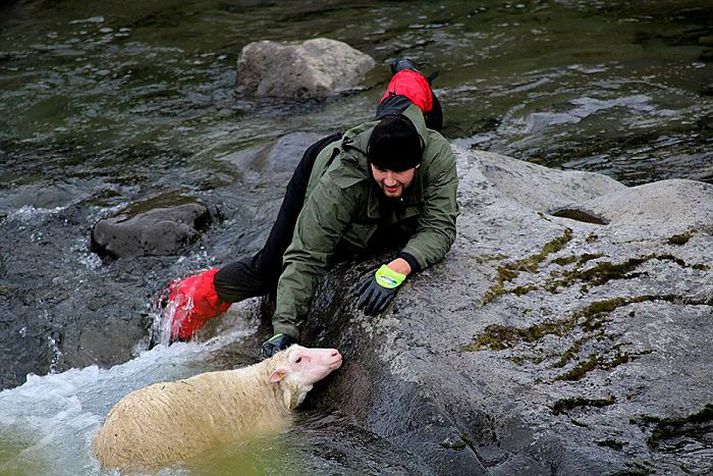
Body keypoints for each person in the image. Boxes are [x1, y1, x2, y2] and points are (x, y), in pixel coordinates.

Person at [163, 58, 458, 357]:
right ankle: (188, 292)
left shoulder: (436, 157)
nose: (391, 181)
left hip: (401, 123)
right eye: (382, 170)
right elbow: (307, 253)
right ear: (370, 161)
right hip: (317, 162)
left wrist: (398, 267)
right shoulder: (344, 177)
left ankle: (408, 72)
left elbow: (440, 227)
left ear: (418, 165)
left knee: (405, 101)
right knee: (266, 270)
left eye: (400, 172)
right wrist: (285, 331)